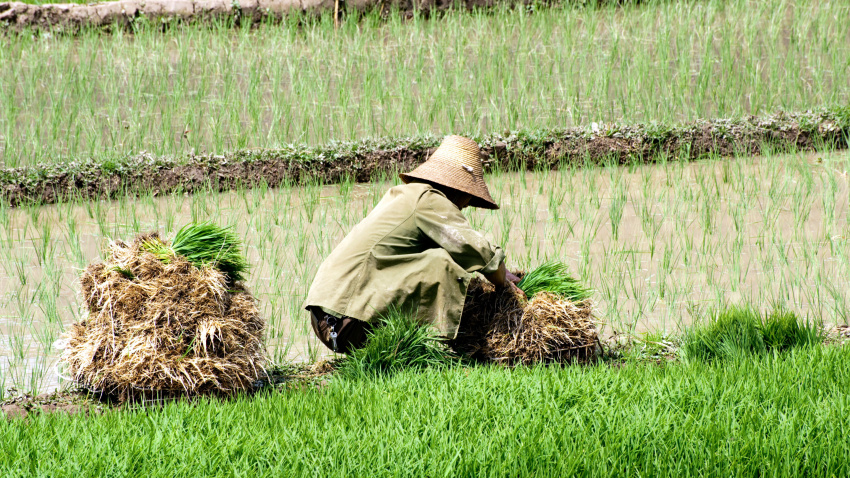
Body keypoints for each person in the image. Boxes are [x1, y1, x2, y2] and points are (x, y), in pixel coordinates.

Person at [304, 135, 522, 353]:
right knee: (441, 262)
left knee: (435, 255)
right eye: (469, 197)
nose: (466, 206)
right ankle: (439, 349)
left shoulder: (401, 196)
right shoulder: (428, 199)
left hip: (327, 319)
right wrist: (504, 283)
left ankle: (412, 347)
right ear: (459, 189)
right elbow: (477, 251)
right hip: (347, 325)